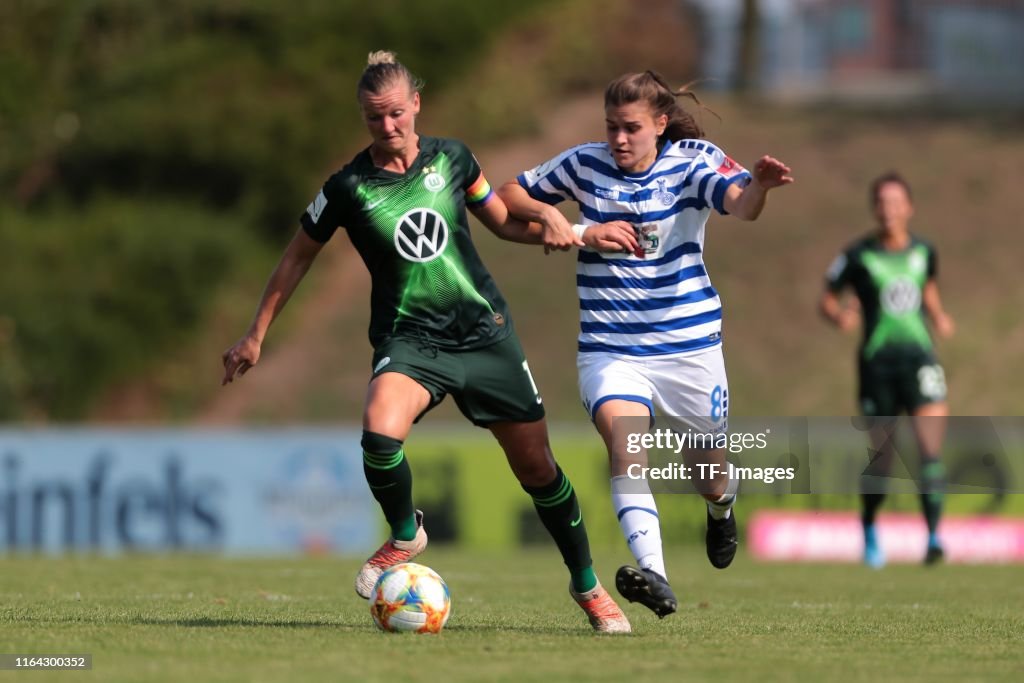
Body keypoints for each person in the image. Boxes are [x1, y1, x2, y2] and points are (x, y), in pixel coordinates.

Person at [221, 51, 630, 633]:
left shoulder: (454, 158)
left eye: (394, 114)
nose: (387, 128)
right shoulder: (348, 187)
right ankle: (406, 533)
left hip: (485, 334)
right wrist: (255, 335)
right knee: (379, 431)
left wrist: (570, 227)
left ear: (416, 104)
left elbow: (504, 223)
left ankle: (588, 588)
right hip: (410, 340)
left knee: (538, 470)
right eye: (372, 118)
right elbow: (295, 259)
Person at [498, 70, 793, 617]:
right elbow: (510, 194)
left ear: (660, 124)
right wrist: (555, 217)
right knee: (625, 441)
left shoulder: (693, 161)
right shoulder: (585, 164)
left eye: (631, 128)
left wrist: (760, 187)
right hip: (610, 348)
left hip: (689, 346)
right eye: (611, 127)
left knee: (708, 472)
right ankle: (654, 574)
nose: (618, 139)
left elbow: (741, 204)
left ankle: (722, 510)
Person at [820, 171, 954, 568]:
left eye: (896, 202)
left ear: (909, 207)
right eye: (882, 202)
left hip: (920, 359)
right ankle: (871, 531)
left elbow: (927, 287)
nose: (889, 210)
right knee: (883, 457)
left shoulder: (925, 252)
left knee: (931, 451)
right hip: (877, 365)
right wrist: (839, 315)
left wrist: (939, 315)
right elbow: (827, 297)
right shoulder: (857, 256)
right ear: (874, 208)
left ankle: (933, 538)